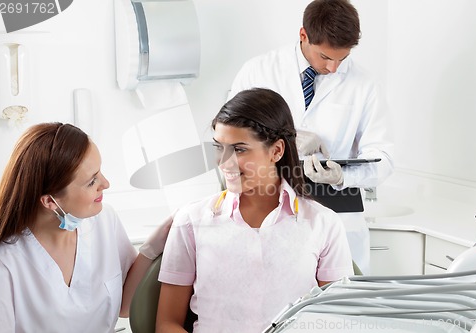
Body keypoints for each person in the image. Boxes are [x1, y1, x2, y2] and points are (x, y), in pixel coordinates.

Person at [156, 88, 354, 333]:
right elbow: (166, 324)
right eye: (219, 147)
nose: (224, 162)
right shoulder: (191, 221)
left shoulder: (324, 225)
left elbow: (337, 322)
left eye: (239, 149)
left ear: (277, 151)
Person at [228, 0, 394, 274]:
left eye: (343, 58)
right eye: (326, 57)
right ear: (303, 35)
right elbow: (230, 137)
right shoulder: (258, 71)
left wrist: (343, 177)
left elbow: (383, 158)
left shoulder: (365, 85)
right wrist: (287, 137)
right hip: (267, 206)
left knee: (341, 306)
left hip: (336, 211)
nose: (334, 68)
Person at [0, 122, 171, 333]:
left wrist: (153, 245)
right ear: (50, 201)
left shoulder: (104, 221)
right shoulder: (4, 264)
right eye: (91, 181)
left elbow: (126, 306)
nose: (105, 183)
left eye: (99, 172)